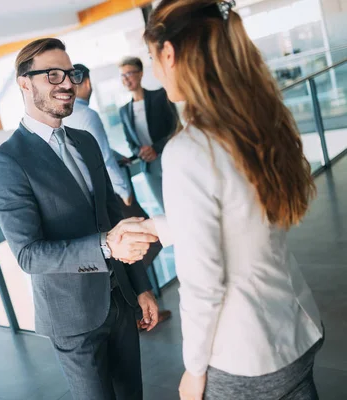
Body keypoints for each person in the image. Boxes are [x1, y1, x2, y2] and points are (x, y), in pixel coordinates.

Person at [121, 0, 324, 398]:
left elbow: (203, 284)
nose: (155, 70)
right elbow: (239, 219)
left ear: (169, 52)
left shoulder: (189, 149)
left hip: (243, 355)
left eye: (151, 56)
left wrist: (194, 372)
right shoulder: (257, 124)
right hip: (296, 328)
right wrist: (155, 227)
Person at [0, 38, 161, 400]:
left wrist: (141, 286)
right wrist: (104, 246)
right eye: (52, 75)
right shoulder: (6, 162)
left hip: (122, 301)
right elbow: (28, 255)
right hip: (72, 318)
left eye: (70, 73)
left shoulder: (85, 141)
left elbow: (114, 216)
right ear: (24, 83)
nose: (67, 83)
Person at [64, 63, 172, 327]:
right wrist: (124, 191)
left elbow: (99, 151)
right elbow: (104, 159)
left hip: (90, 198)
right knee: (143, 241)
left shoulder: (66, 116)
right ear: (86, 83)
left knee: (125, 246)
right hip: (112, 194)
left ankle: (136, 305)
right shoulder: (87, 114)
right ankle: (138, 306)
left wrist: (119, 156)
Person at [118, 56, 178, 211]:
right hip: (149, 168)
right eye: (122, 75)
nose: (126, 79)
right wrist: (140, 152)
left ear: (140, 73)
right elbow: (131, 143)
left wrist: (155, 149)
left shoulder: (160, 96)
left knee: (181, 203)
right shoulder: (124, 111)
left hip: (169, 158)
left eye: (129, 73)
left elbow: (177, 129)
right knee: (166, 209)